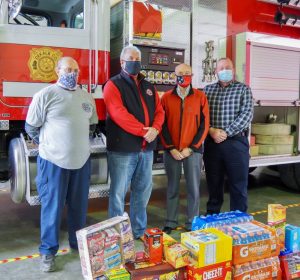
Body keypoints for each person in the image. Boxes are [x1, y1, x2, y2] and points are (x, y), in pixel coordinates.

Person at [25, 57, 98, 272]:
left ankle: (78, 245)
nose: (72, 73)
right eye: (67, 69)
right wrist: (49, 144)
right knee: (52, 208)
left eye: (75, 70)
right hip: (53, 162)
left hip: (81, 162)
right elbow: (31, 128)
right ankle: (48, 252)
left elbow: (92, 124)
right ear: (57, 71)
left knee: (79, 208)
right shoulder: (45, 95)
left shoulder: (86, 97)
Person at [103, 45, 164, 239]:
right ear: (122, 62)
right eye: (131, 58)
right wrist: (144, 131)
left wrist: (156, 129)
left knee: (143, 192)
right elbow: (118, 113)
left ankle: (138, 231)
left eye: (138, 59)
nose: (135, 62)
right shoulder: (113, 84)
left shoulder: (149, 86)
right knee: (118, 194)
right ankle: (117, 234)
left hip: (146, 150)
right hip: (123, 150)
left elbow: (160, 111)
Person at [160, 63, 209, 234]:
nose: (183, 76)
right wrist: (171, 148)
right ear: (175, 76)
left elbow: (204, 125)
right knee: (172, 187)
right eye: (180, 73)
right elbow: (162, 124)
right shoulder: (165, 98)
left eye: (187, 73)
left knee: (193, 188)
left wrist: (192, 148)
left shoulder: (200, 97)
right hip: (172, 151)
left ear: (192, 75)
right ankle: (170, 221)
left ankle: (191, 222)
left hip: (192, 151)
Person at [203, 57, 254, 214]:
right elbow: (201, 116)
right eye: (221, 68)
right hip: (213, 144)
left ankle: (238, 218)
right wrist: (211, 130)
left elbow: (247, 114)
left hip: (236, 142)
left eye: (228, 67)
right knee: (213, 184)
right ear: (216, 72)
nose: (225, 70)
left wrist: (226, 132)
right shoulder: (207, 91)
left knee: (238, 185)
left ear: (234, 70)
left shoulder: (244, 89)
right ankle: (212, 217)